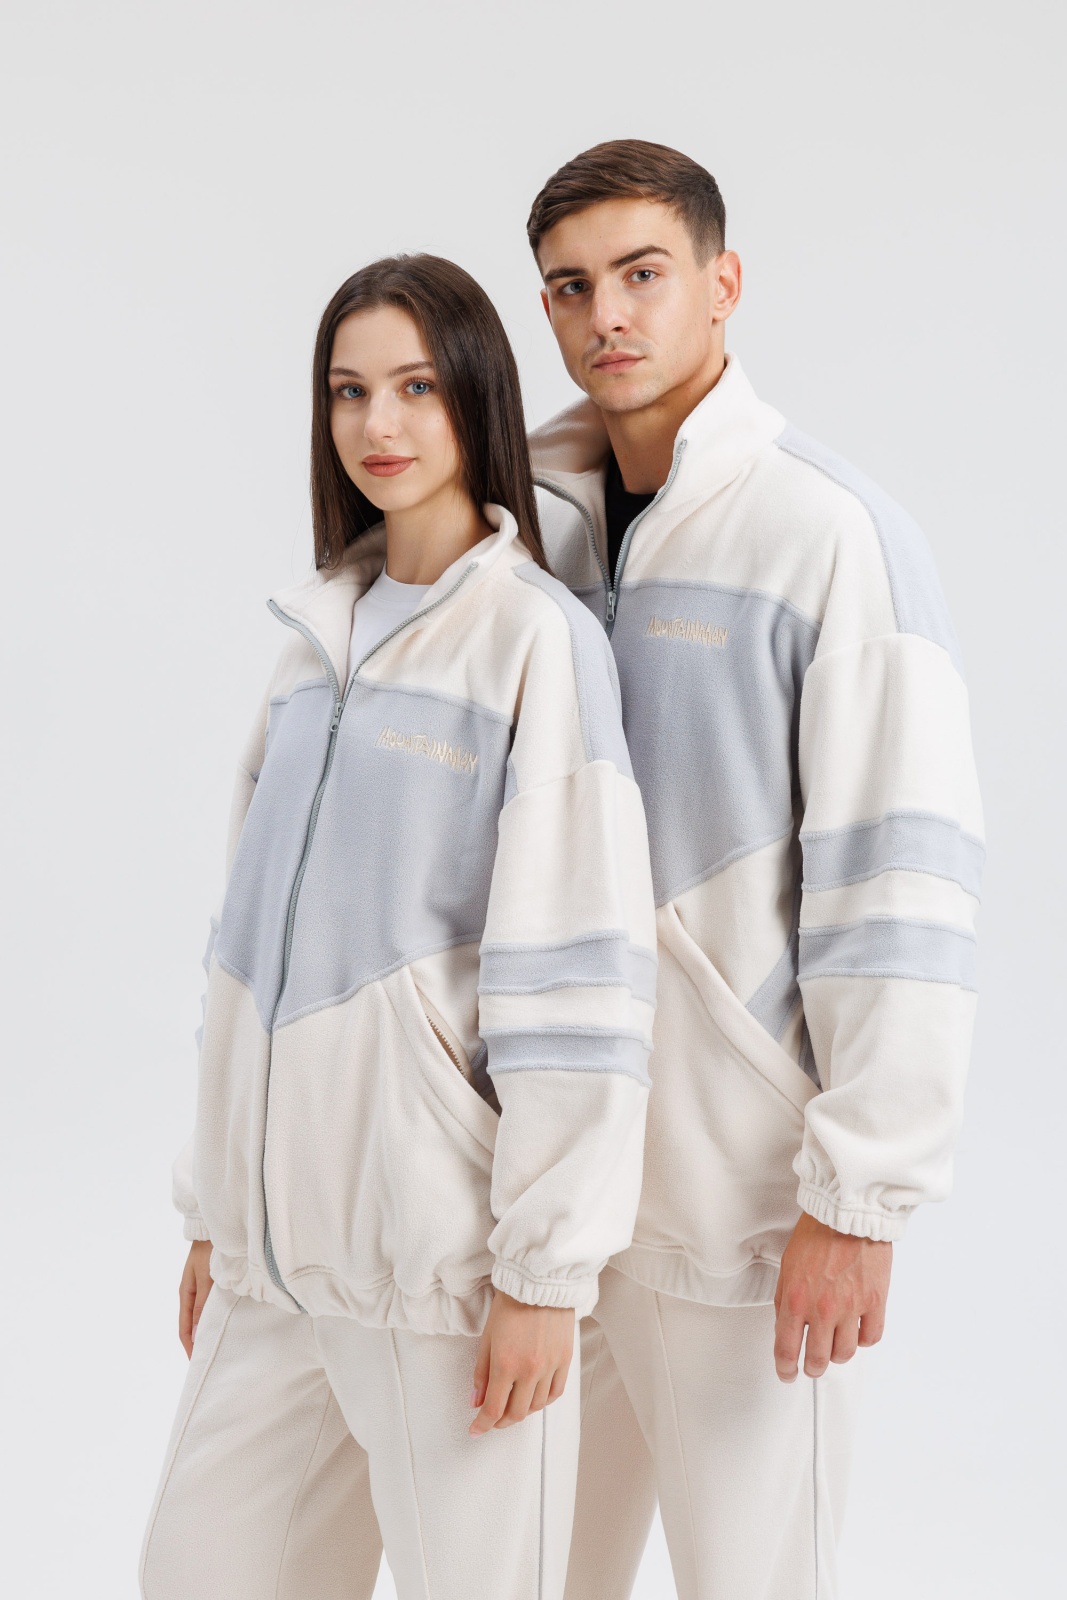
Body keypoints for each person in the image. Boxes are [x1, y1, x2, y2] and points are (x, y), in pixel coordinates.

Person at [139, 253, 657, 1600]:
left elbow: (581, 978)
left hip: (441, 1275)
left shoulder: (535, 642)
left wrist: (545, 1274)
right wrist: (214, 1205)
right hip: (273, 1270)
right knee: (195, 1572)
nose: (379, 425)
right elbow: (246, 949)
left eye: (418, 388)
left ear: (474, 397)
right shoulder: (313, 640)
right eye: (349, 391)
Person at [525, 141, 984, 1600]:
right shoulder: (520, 529)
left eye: (643, 273)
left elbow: (900, 886)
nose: (607, 313)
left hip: (736, 1205)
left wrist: (861, 1196)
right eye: (570, 286)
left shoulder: (831, 536)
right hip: (542, 1198)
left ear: (723, 285)